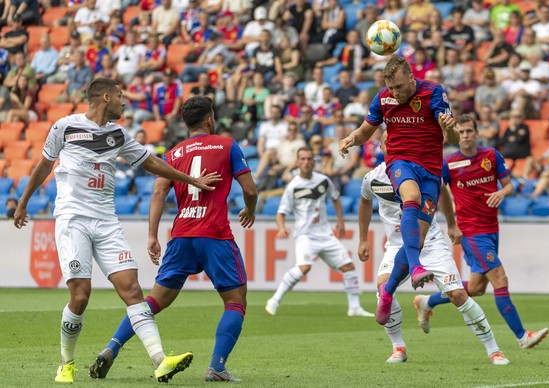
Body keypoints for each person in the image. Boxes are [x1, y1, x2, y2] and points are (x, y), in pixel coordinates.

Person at [13, 78, 222, 383]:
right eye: (121, 97)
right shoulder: (65, 127)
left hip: (107, 222)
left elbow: (151, 162)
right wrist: (23, 203)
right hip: (73, 220)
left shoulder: (118, 134)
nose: (125, 103)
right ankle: (66, 362)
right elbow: (44, 165)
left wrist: (190, 180)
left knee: (133, 291)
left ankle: (160, 361)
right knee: (81, 295)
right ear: (106, 97)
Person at [89, 96, 257, 382]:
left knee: (153, 302)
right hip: (214, 234)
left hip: (180, 236)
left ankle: (111, 348)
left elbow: (157, 194)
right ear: (210, 118)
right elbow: (250, 191)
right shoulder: (227, 145)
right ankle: (216, 366)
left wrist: (153, 236)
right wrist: (249, 210)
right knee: (235, 301)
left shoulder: (174, 152)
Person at [358, 131, 510, 365]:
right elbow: (365, 202)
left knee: (458, 294)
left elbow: (443, 195)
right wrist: (363, 239)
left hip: (430, 244)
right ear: (383, 146)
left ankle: (494, 350)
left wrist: (451, 223)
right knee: (382, 288)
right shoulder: (372, 178)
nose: (394, 144)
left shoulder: (421, 170)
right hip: (397, 245)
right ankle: (398, 348)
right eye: (389, 141)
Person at [338, 55, 458, 325]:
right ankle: (416, 267)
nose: (395, 93)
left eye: (400, 87)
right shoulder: (382, 98)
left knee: (417, 238)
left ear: (412, 79)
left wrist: (449, 129)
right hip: (399, 162)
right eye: (391, 88)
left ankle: (388, 292)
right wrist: (350, 139)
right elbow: (366, 130)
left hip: (430, 170)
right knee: (410, 198)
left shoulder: (434, 93)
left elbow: (452, 139)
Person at [415, 115, 549, 350]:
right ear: (457, 135)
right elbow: (438, 192)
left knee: (476, 288)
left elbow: (508, 184)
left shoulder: (491, 156)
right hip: (471, 231)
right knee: (500, 278)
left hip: (491, 229)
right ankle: (522, 336)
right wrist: (449, 223)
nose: (465, 135)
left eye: (469, 131)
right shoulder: (450, 163)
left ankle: (427, 302)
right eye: (462, 132)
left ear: (477, 133)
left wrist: (502, 193)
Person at [265, 147, 374, 318]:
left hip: (325, 234)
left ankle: (354, 308)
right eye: (303, 159)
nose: (307, 162)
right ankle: (274, 300)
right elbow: (281, 213)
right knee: (304, 267)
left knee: (348, 267)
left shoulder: (323, 181)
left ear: (314, 161)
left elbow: (335, 198)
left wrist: (340, 221)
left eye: (309, 159)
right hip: (305, 235)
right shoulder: (293, 186)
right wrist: (281, 227)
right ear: (297, 161)